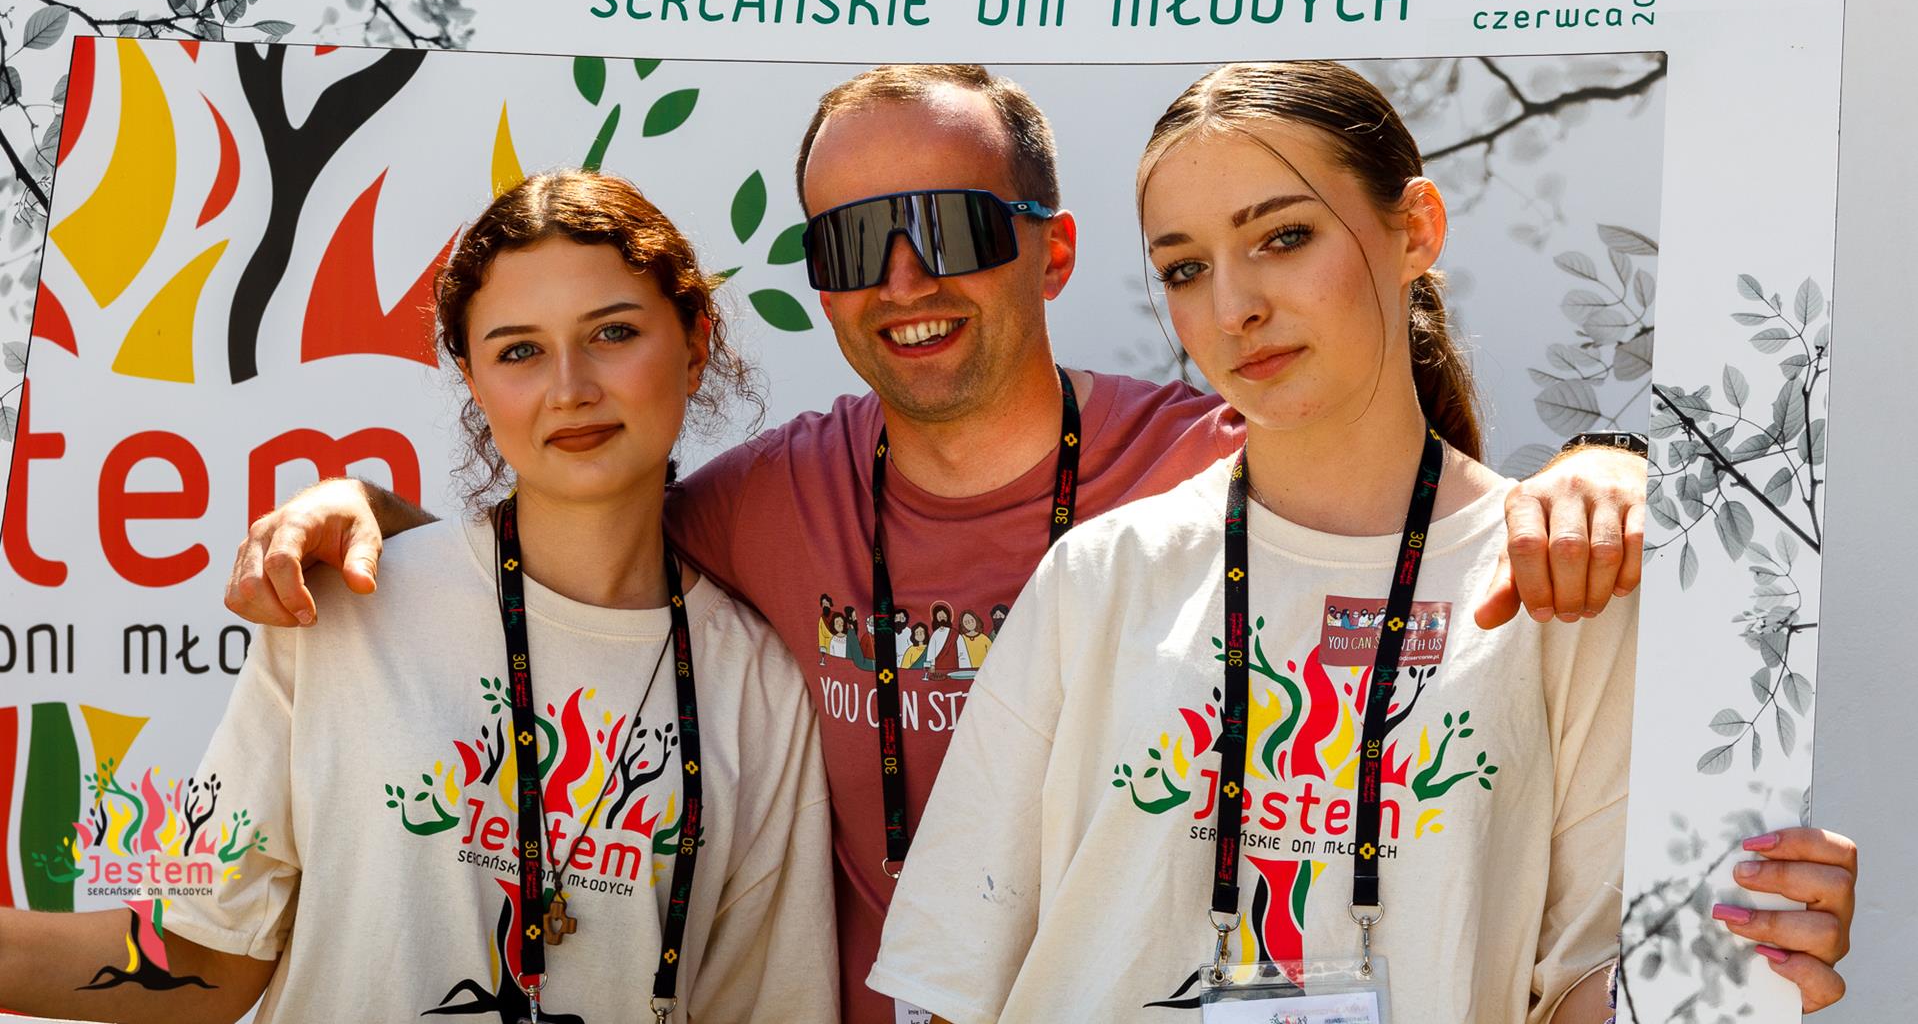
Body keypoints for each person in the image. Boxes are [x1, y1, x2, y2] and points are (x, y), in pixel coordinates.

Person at [223, 64, 1656, 1023]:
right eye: (855, 243)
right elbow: (569, 524)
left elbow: (1392, 498)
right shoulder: (762, 501)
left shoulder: (1199, 458)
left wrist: (1611, 465)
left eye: (951, 226)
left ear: (1051, 249)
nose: (904, 277)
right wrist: (368, 517)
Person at [869, 62, 1855, 1021]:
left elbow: (1586, 990)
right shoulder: (1102, 573)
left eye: (1283, 236)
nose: (1233, 307)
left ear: (1414, 228)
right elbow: (956, 984)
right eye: (1185, 268)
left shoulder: (1556, 581)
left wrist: (1733, 959)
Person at [0, 172, 838, 1023]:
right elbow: (206, 960)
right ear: (472, 378)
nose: (570, 386)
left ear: (694, 344)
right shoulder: (346, 605)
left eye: (612, 332)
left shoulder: (760, 689)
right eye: (519, 351)